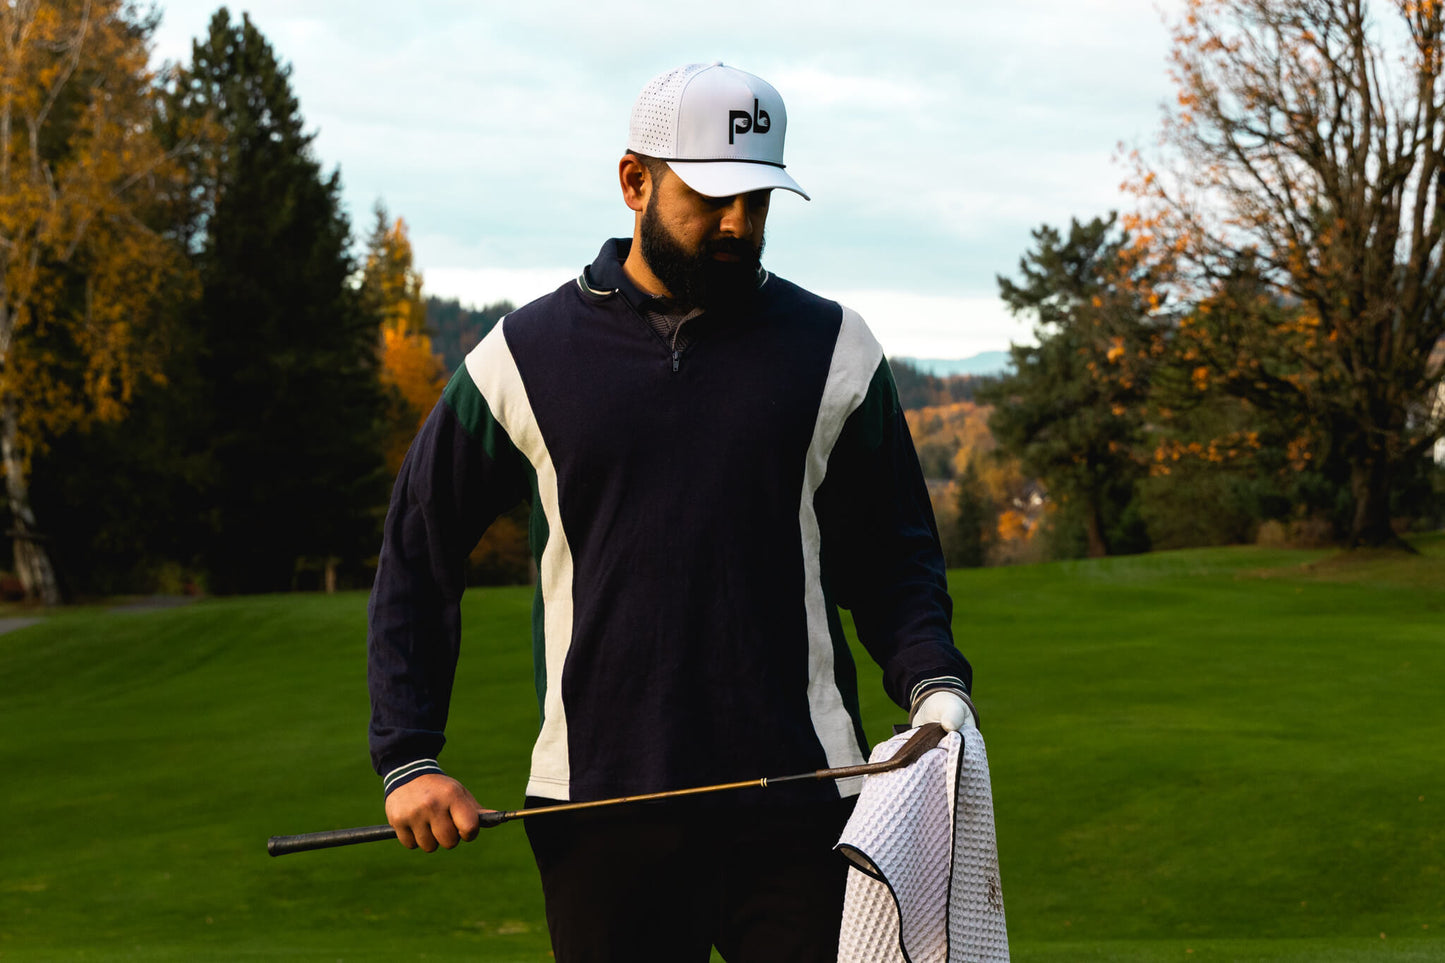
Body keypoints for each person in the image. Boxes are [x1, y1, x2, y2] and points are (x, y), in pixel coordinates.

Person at [367, 61, 976, 962]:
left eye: (757, 201)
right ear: (634, 181)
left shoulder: (835, 348)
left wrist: (935, 686)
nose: (738, 223)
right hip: (597, 809)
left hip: (810, 806)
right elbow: (419, 551)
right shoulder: (521, 355)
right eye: (712, 197)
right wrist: (408, 755)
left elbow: (894, 556)